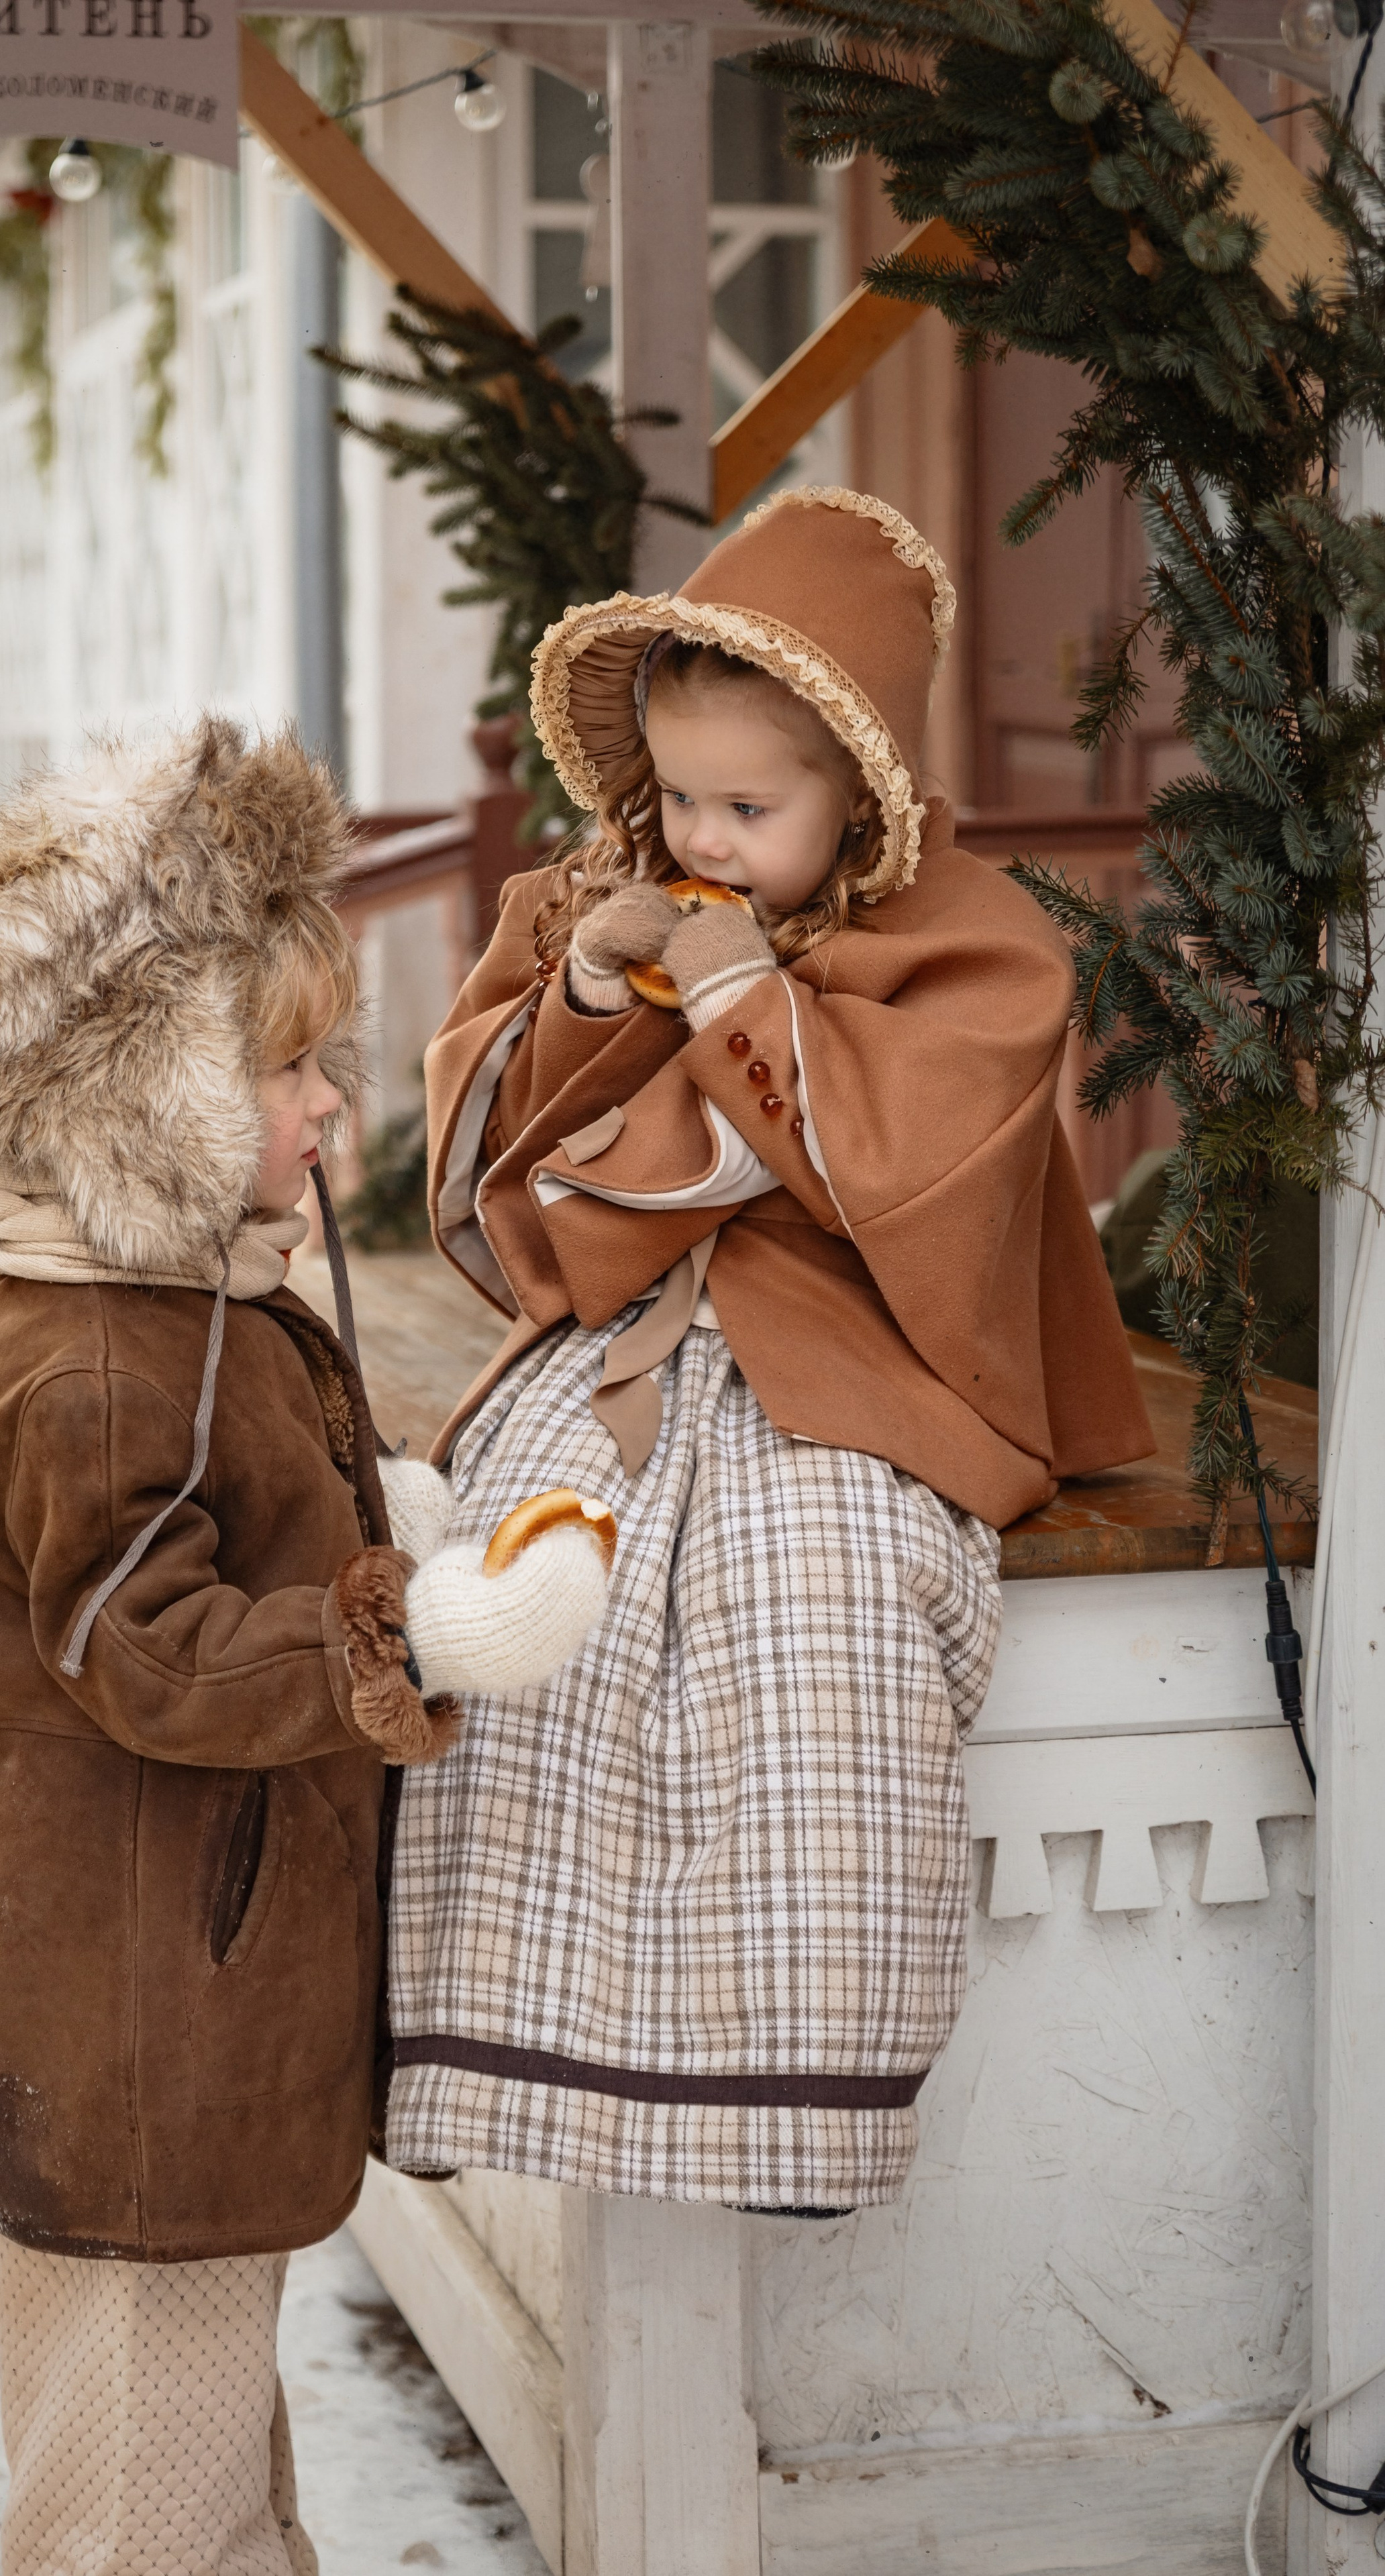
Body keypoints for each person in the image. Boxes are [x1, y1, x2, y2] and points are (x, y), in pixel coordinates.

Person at [382, 488, 1154, 2217]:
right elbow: (493, 1143)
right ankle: (502, 2050)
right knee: (533, 1594)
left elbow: (906, 1183)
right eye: (677, 797)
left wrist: (748, 1003)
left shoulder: (975, 945)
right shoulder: (614, 893)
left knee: (825, 1605)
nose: (704, 839)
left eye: (755, 804)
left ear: (862, 796)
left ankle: (785, 2097)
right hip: (625, 1341)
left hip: (853, 1358)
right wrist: (589, 986)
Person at [0, 718, 609, 2576]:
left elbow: (247, 1512)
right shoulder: (102, 1358)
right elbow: (154, 1647)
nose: (327, 1112)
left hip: (173, 2011)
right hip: (135, 2018)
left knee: (205, 2460)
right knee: (143, 2502)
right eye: (286, 1069)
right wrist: (420, 1623)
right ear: (146, 1103)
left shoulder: (183, 1305)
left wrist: (395, 1511)